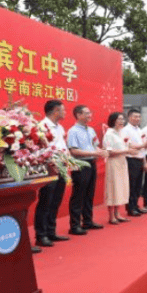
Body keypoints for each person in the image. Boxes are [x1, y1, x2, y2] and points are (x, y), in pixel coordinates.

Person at [34, 100, 70, 248]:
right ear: (56, 111)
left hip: (61, 166)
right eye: (63, 110)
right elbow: (41, 149)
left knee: (56, 200)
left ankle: (51, 231)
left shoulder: (60, 127)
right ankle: (40, 235)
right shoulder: (42, 126)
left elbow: (62, 146)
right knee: (46, 201)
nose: (65, 112)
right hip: (49, 168)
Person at [67, 105, 107, 235]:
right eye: (87, 113)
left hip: (92, 163)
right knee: (78, 195)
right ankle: (75, 225)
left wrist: (103, 152)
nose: (90, 115)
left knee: (89, 194)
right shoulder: (73, 131)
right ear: (79, 115)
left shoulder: (90, 130)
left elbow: (96, 147)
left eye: (90, 113)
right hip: (79, 164)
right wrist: (94, 153)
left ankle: (88, 221)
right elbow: (73, 150)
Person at [102, 112, 131, 224]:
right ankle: (111, 216)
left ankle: (118, 213)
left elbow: (126, 146)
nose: (122, 121)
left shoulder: (120, 133)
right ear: (113, 120)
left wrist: (130, 150)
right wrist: (126, 151)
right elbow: (109, 151)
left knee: (121, 187)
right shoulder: (109, 134)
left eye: (123, 119)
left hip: (122, 162)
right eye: (119, 119)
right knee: (113, 188)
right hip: (113, 163)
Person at [121, 108, 147, 217]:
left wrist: (145, 162)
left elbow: (143, 148)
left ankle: (136, 205)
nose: (137, 119)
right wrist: (144, 145)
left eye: (139, 117)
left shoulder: (139, 130)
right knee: (132, 185)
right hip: (131, 159)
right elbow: (129, 145)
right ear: (129, 117)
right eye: (135, 116)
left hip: (140, 159)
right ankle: (130, 208)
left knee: (138, 185)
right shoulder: (125, 130)